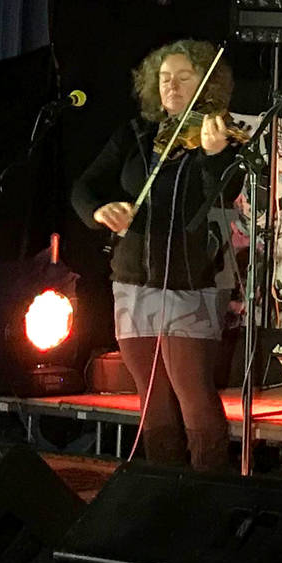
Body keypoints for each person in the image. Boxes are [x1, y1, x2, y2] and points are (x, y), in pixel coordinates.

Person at [73, 40, 241, 471]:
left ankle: (209, 493)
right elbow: (84, 186)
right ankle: (162, 494)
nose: (172, 85)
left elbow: (222, 193)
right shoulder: (136, 135)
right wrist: (99, 210)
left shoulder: (217, 137)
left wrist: (214, 155)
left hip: (193, 278)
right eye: (165, 77)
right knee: (151, 400)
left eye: (184, 77)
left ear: (206, 83)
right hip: (132, 276)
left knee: (193, 393)